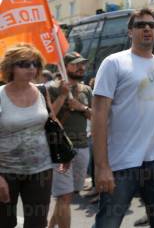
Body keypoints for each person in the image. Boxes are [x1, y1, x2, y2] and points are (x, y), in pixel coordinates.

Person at [92, 8, 154, 228]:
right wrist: (101, 166)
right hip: (122, 163)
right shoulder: (114, 63)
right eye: (140, 25)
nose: (147, 28)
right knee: (107, 224)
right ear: (130, 32)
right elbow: (99, 114)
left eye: (152, 25)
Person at [0, 44, 54, 227]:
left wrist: (65, 150)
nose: (31, 68)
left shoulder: (41, 91)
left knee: (37, 223)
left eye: (34, 63)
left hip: (41, 170)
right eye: (24, 63)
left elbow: (51, 122)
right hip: (6, 172)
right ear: (10, 67)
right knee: (4, 223)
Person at [47, 52, 93, 228]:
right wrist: (62, 96)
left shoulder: (86, 90)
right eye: (76, 64)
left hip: (82, 147)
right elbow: (48, 116)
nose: (82, 67)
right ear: (65, 67)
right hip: (60, 149)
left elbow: (93, 116)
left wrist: (81, 107)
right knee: (64, 196)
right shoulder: (51, 87)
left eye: (83, 64)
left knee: (68, 195)